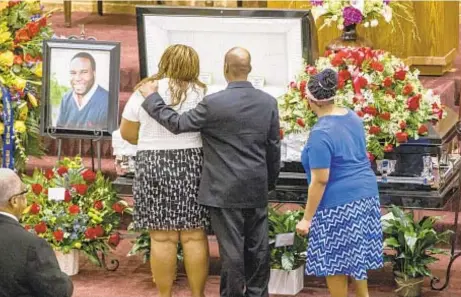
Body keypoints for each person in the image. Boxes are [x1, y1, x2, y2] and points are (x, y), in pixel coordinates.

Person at [137, 47, 281, 297]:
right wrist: (269, 181)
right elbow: (273, 147)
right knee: (258, 249)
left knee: (232, 251)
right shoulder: (268, 102)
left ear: (225, 69)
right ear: (250, 69)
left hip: (223, 189)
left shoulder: (214, 103)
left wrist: (152, 98)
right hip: (256, 185)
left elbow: (178, 124)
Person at [119, 44, 210, 297]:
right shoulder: (203, 93)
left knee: (161, 238)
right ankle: (197, 294)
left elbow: (127, 132)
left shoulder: (145, 91)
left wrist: (149, 141)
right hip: (192, 162)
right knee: (193, 235)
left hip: (153, 162)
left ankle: (165, 294)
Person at [295, 69, 383, 297]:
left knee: (335, 264)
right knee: (357, 258)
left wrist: (306, 219)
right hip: (366, 195)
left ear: (310, 100)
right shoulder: (351, 116)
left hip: (338, 204)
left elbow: (320, 180)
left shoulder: (320, 134)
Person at [0, 168, 73, 297]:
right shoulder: (31, 245)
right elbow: (57, 292)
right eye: (24, 193)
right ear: (14, 201)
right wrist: (66, 279)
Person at [56, 52, 109, 130]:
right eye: (73, 73)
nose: (77, 78)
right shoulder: (66, 98)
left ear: (94, 73)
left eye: (84, 72)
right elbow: (58, 131)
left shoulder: (106, 101)